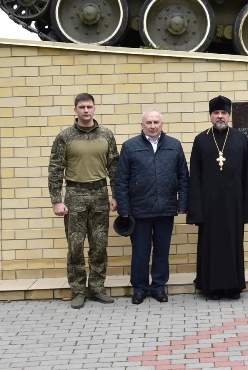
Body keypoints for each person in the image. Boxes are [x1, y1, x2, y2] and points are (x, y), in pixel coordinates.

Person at [187, 95, 248, 300]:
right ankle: (210, 287)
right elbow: (194, 176)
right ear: (210, 116)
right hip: (209, 204)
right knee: (210, 246)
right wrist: (195, 209)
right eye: (216, 113)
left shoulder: (240, 138)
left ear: (229, 115)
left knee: (233, 244)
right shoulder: (201, 139)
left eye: (223, 113)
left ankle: (233, 287)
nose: (220, 116)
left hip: (234, 204)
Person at [48, 93, 119, 309]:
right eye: (81, 107)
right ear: (75, 110)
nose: (86, 110)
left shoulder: (106, 135)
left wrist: (115, 195)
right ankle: (78, 291)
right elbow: (55, 169)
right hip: (74, 195)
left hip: (99, 194)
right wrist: (56, 200)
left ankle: (97, 288)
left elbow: (114, 167)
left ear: (95, 109)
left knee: (99, 245)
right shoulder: (65, 137)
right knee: (75, 246)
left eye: (89, 106)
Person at [112, 109, 189, 305]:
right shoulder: (130, 147)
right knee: (140, 251)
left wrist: (182, 203)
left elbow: (183, 178)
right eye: (149, 122)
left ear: (162, 124)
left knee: (162, 251)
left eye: (156, 122)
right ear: (142, 125)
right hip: (139, 210)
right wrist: (124, 209)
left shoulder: (174, 145)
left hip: (166, 208)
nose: (153, 126)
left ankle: (158, 287)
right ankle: (139, 289)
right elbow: (121, 180)